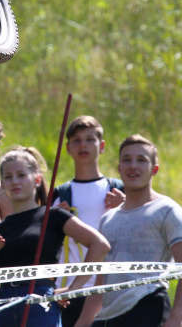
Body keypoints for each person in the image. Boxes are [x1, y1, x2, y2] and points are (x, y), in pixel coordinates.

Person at [0, 147, 110, 327]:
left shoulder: (53, 216)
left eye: (21, 175)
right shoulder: (0, 228)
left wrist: (72, 289)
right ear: (2, 184)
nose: (15, 181)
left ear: (37, 179)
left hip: (40, 303)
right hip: (2, 306)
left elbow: (100, 245)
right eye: (8, 177)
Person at [75, 135, 182, 327]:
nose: (133, 166)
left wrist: (176, 318)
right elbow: (101, 280)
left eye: (141, 160)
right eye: (126, 160)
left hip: (147, 307)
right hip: (106, 318)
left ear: (154, 169)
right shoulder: (108, 219)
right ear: (119, 169)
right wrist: (84, 322)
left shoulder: (167, 210)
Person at [50, 116, 125, 327]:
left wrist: (126, 204)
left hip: (108, 290)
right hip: (66, 291)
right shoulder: (58, 194)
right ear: (68, 148)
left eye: (90, 139)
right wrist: (55, 219)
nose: (83, 145)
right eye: (76, 140)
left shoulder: (118, 189)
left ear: (101, 146)